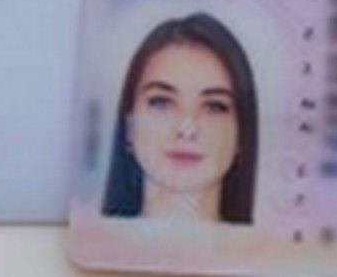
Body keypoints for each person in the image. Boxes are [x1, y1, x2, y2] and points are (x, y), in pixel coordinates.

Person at [102, 12, 259, 224]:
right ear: (129, 126)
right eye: (161, 102)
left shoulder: (275, 245)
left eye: (214, 106)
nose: (187, 128)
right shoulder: (93, 239)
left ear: (242, 135)